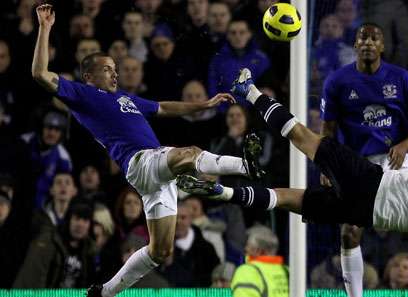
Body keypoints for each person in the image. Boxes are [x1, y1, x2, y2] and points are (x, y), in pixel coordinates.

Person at [177, 68, 408, 297]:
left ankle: (250, 91)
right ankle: (224, 191)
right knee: (289, 198)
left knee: (302, 136)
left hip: (372, 184)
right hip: (365, 215)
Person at [32, 5, 263, 297]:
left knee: (160, 251)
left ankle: (104, 292)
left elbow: (164, 107)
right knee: (189, 152)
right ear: (89, 75)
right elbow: (40, 73)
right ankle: (246, 166)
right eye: (108, 70)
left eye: (116, 70)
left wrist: (203, 105)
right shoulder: (83, 94)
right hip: (141, 162)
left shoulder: (125, 98)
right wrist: (45, 28)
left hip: (154, 176)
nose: (115, 75)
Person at [319, 23, 408, 297]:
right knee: (350, 232)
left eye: (375, 38)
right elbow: (327, 129)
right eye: (363, 37)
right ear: (355, 45)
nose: (368, 43)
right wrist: (326, 164)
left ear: (382, 46)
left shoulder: (400, 78)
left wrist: (405, 144)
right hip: (354, 165)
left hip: (393, 161)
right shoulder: (337, 82)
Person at [14, 203, 96, 288]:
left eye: (85, 220)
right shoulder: (49, 242)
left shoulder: (89, 252)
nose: (80, 224)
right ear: (68, 220)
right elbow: (34, 278)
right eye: (77, 218)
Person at [230, 225, 289, 297]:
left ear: (258, 250)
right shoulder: (288, 271)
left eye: (248, 245)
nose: (245, 249)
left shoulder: (247, 271)